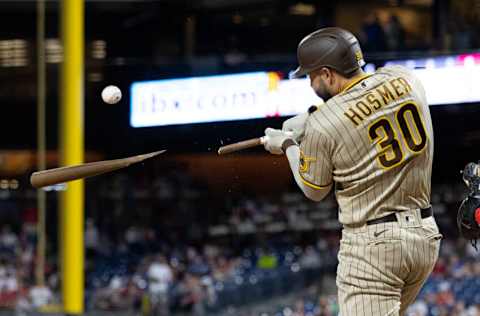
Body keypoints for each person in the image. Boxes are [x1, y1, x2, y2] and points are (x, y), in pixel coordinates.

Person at [262, 27, 442, 315]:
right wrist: (311, 116)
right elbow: (368, 102)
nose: (310, 83)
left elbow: (314, 189)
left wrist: (287, 145)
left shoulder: (325, 124)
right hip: (425, 237)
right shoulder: (405, 78)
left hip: (374, 247)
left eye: (311, 75)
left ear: (328, 73)